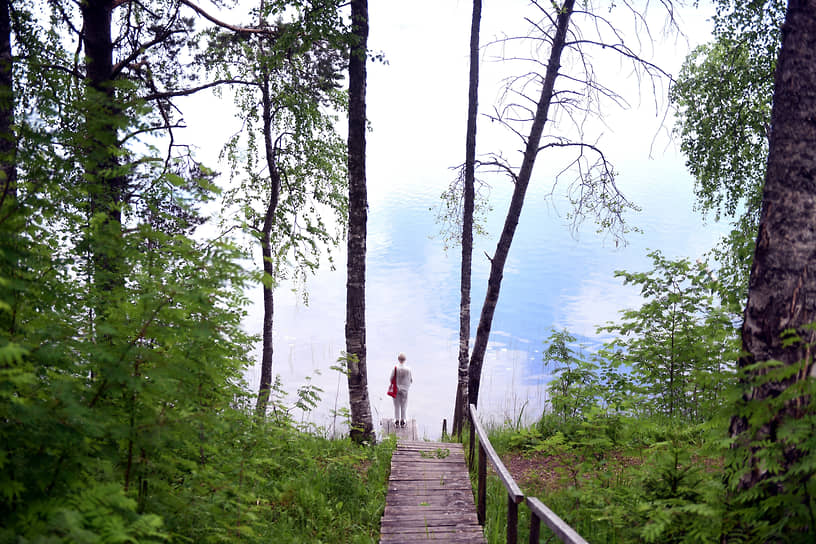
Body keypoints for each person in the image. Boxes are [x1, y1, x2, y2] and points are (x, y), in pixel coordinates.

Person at [390, 353, 412, 427]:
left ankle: (396, 420)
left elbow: (391, 378)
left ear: (398, 359)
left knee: (396, 405)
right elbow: (411, 380)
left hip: (396, 388)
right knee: (404, 405)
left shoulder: (395, 368)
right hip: (405, 389)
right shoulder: (408, 369)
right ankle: (403, 420)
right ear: (405, 360)